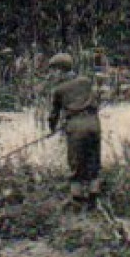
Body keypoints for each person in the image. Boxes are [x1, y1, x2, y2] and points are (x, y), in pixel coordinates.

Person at [47, 53, 103, 210]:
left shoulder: (58, 90)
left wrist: (52, 129)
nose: (52, 75)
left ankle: (76, 201)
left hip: (76, 127)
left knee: (75, 163)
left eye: (53, 71)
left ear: (60, 70)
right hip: (94, 124)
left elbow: (53, 115)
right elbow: (96, 100)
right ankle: (93, 200)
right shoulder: (86, 81)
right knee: (93, 162)